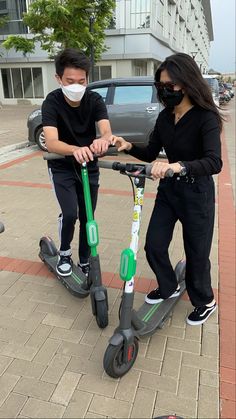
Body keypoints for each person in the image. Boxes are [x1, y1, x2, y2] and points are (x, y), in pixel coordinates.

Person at [113, 53, 223, 326]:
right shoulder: (164, 118)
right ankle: (168, 286)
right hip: (169, 192)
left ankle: (205, 301)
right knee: (154, 245)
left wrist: (179, 166)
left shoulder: (205, 117)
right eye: (161, 85)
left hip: (198, 193)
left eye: (170, 85)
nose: (165, 90)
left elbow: (214, 161)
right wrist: (128, 146)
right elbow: (150, 153)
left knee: (197, 253)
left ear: (186, 83)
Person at [42, 48, 112, 277]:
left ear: (87, 79)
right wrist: (75, 149)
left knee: (87, 216)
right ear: (59, 79)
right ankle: (64, 253)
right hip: (61, 166)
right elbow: (51, 141)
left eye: (81, 81)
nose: (76, 86)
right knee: (70, 213)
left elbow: (105, 130)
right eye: (70, 81)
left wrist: (103, 140)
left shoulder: (94, 99)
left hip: (88, 167)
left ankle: (84, 259)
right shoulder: (52, 102)